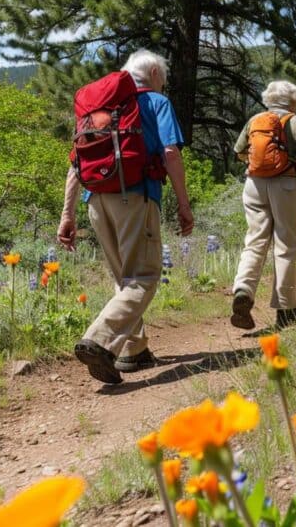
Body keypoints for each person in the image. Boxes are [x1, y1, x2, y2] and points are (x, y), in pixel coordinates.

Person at [58, 50, 194, 384]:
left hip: (95, 200)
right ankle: (99, 339)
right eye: (162, 75)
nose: (163, 82)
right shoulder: (156, 103)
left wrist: (67, 214)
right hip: (135, 196)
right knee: (145, 276)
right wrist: (183, 203)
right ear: (152, 72)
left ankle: (134, 350)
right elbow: (170, 153)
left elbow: (76, 163)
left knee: (124, 278)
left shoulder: (100, 111)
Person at [229, 80, 296, 331]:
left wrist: (260, 163)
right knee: (285, 245)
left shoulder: (255, 120)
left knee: (255, 241)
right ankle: (285, 308)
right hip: (288, 186)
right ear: (293, 101)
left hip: (254, 185)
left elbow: (239, 152)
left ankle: (243, 290)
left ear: (269, 99)